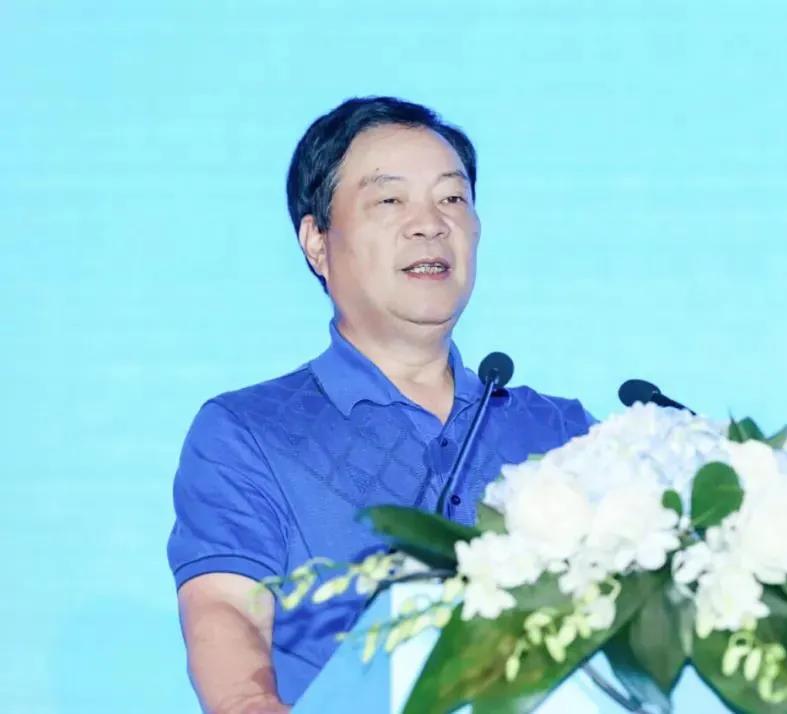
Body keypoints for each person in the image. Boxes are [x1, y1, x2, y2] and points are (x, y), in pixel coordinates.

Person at [166, 96, 593, 713]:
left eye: (452, 198)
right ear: (317, 241)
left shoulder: (563, 432)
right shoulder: (248, 432)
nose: (430, 224)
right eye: (390, 200)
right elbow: (225, 610)